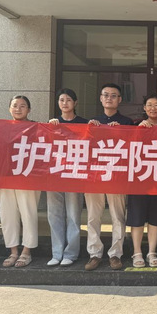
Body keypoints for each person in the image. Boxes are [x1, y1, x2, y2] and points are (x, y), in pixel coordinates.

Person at [84, 83, 133, 271]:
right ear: (100, 98)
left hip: (116, 176)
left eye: (113, 95)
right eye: (106, 95)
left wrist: (121, 132)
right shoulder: (92, 122)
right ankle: (94, 253)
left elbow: (133, 147)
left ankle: (115, 254)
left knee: (118, 217)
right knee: (93, 217)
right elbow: (83, 147)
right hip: (95, 175)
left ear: (119, 99)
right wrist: (89, 131)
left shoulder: (127, 122)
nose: (109, 98)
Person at [128, 94, 157, 268]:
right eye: (149, 105)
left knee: (155, 217)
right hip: (140, 178)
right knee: (137, 217)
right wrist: (138, 131)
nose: (153, 108)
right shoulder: (136, 126)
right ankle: (137, 252)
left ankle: (152, 252)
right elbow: (128, 148)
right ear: (144, 108)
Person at [46, 88, 88, 266]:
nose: (65, 103)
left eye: (68, 100)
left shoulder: (84, 123)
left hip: (74, 175)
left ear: (75, 102)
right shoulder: (52, 124)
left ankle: (70, 253)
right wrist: (49, 127)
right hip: (54, 175)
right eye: (61, 100)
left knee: (73, 214)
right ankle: (56, 253)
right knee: (54, 214)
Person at [0, 95, 41, 268]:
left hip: (28, 178)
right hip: (6, 178)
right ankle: (13, 251)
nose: (18, 109)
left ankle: (26, 251)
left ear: (29, 110)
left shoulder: (37, 128)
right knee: (7, 215)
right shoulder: (2, 128)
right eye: (15, 105)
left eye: (23, 106)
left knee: (28, 213)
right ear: (9, 108)